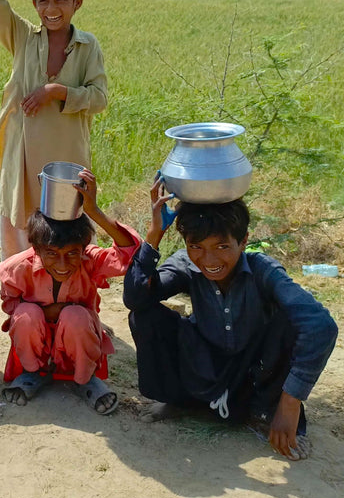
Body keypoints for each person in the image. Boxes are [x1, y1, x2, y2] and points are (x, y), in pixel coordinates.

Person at [124, 180, 338, 460]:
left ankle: (266, 412)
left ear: (244, 240)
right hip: (206, 366)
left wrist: (291, 401)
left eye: (222, 246)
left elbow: (321, 326)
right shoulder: (186, 264)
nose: (209, 259)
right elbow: (135, 299)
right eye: (196, 246)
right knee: (145, 315)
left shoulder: (262, 270)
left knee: (290, 321)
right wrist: (154, 235)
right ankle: (182, 401)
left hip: (253, 373)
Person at [0, 0, 108, 260]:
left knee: (69, 228)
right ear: (34, 4)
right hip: (24, 153)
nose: (51, 10)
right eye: (43, 1)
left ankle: (71, 288)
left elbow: (99, 98)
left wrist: (56, 91)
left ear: (78, 3)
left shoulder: (88, 46)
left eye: (61, 0)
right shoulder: (22, 37)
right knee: (22, 225)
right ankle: (20, 288)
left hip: (68, 155)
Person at [0, 169, 140, 414]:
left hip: (77, 336)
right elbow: (11, 306)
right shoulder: (17, 268)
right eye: (52, 254)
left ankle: (84, 379)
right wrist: (48, 312)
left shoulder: (90, 261)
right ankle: (32, 373)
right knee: (25, 315)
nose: (62, 264)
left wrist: (95, 212)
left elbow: (130, 253)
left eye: (72, 253)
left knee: (76, 316)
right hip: (37, 339)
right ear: (37, 249)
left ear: (84, 248)